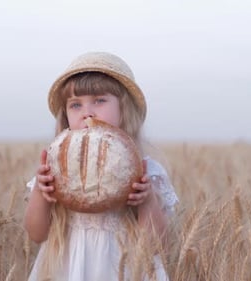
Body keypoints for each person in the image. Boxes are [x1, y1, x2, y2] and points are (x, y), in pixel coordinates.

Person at [23, 51, 179, 281]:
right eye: (75, 105)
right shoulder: (55, 168)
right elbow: (36, 233)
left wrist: (147, 202)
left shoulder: (146, 171)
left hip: (125, 268)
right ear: (65, 116)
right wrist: (41, 193)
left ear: (124, 109)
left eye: (99, 100)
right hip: (68, 268)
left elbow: (158, 246)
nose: (87, 112)